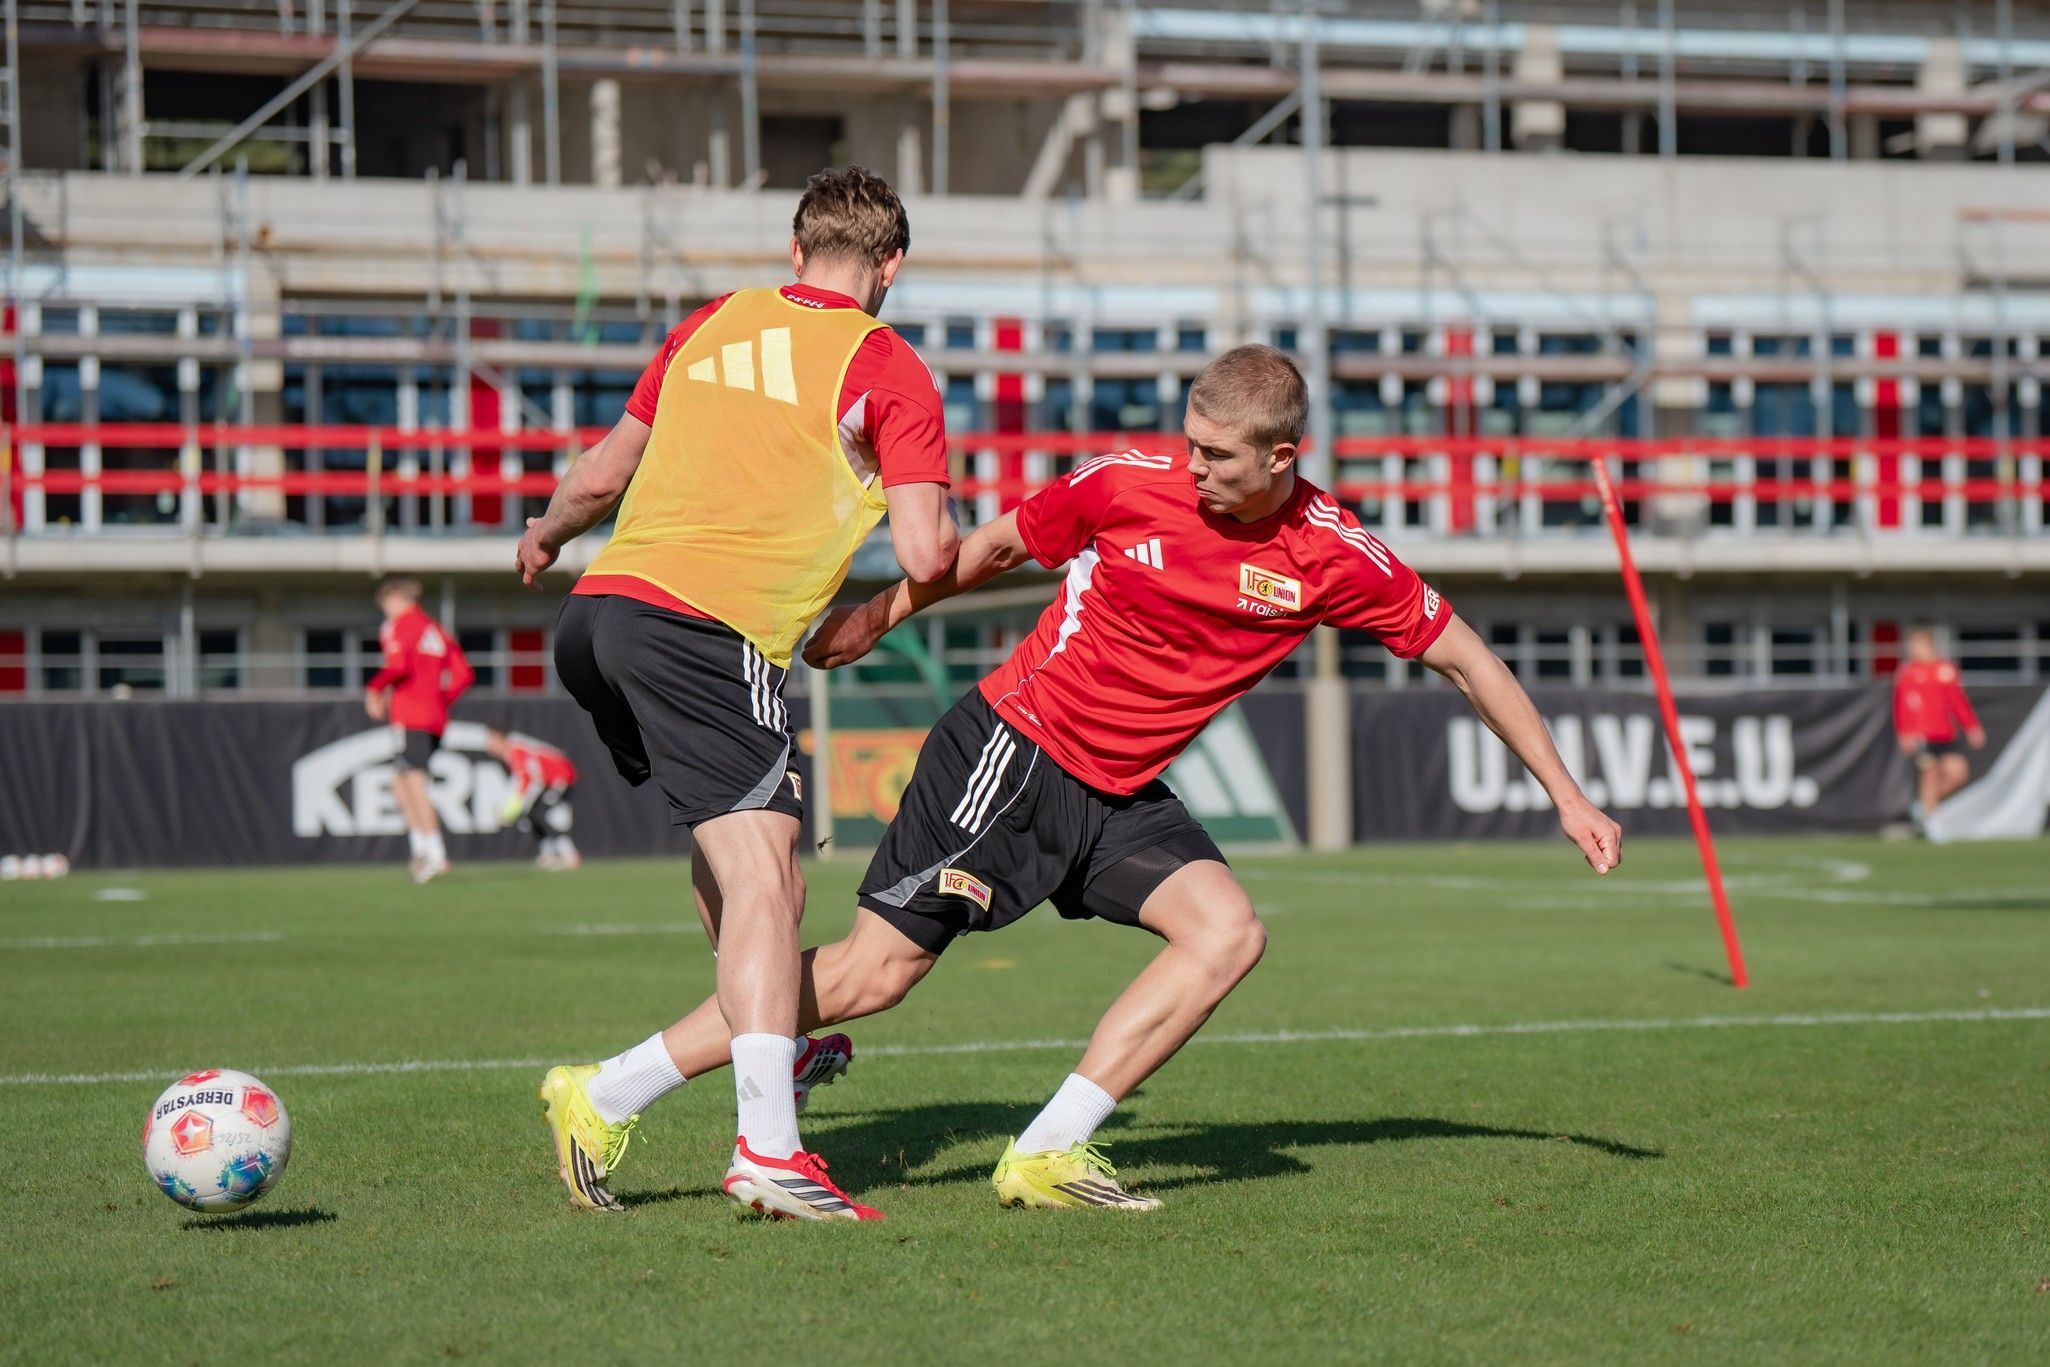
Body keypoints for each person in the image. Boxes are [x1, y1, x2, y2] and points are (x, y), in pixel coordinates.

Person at [560, 344, 1622, 1216]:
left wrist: (1566, 795)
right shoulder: (1124, 485)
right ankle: (607, 1089)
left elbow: (1467, 656)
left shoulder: (1334, 554)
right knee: (873, 976)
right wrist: (876, 617)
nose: (1194, 466)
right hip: (1010, 750)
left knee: (1227, 932)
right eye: (1190, 444)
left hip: (1119, 790)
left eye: (1216, 455)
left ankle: (1046, 1150)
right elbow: (994, 547)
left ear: (1283, 457)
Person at [514, 166, 957, 1221]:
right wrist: (894, 603)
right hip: (707, 631)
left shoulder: (711, 323)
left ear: (795, 254)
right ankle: (766, 1144)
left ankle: (766, 1041)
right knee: (773, 878)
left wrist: (542, 535)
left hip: (598, 613)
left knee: (732, 858)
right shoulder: (887, 365)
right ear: (890, 267)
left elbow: (600, 477)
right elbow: (927, 550)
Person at [365, 577, 474, 884]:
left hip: (410, 716)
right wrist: (439, 700)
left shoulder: (398, 626)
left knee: (413, 783)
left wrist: (373, 689)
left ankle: (435, 854)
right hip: (434, 718)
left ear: (395, 600)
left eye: (386, 606)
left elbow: (398, 665)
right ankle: (422, 849)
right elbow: (463, 674)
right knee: (401, 784)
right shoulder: (435, 629)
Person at [1893, 626, 1985, 823]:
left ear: (1928, 645)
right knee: (1930, 773)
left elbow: (1958, 701)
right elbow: (1902, 704)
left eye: (1915, 645)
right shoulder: (1908, 672)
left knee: (1958, 772)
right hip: (1922, 735)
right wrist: (1905, 731)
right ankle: (1931, 820)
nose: (1912, 650)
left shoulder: (1946, 669)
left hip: (1946, 733)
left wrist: (1971, 726)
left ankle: (1924, 808)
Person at [485, 728, 582, 870]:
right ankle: (548, 855)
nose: (488, 745)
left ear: (500, 738)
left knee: (544, 815)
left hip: (560, 778)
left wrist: (519, 806)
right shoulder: (512, 752)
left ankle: (570, 855)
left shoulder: (515, 751)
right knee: (533, 816)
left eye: (491, 740)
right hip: (549, 782)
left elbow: (531, 780)